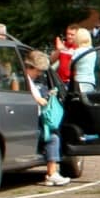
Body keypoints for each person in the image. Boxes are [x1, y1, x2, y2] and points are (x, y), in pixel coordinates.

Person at [26, 50, 68, 186]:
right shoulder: (24, 79)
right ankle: (51, 173)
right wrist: (40, 100)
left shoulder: (28, 80)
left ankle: (52, 173)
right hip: (30, 119)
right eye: (38, 71)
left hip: (33, 117)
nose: (39, 74)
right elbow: (29, 96)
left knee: (52, 135)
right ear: (31, 67)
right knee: (53, 137)